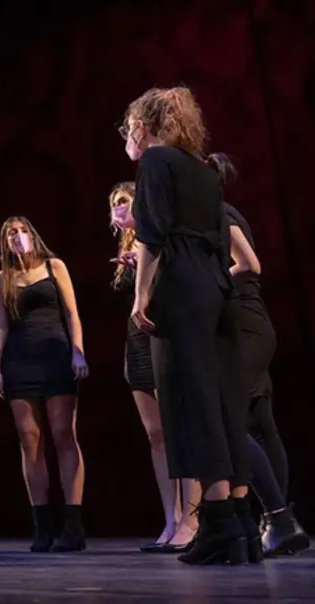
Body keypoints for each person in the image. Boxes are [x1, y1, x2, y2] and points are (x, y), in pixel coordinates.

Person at [123, 85, 258, 565]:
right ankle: (239, 520)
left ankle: (218, 520)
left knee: (190, 399)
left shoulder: (156, 163)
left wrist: (141, 295)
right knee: (222, 400)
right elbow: (221, 239)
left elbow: (152, 235)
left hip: (180, 287)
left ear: (142, 126)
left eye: (128, 128)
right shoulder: (204, 170)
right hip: (216, 289)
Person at [206, 154, 309, 557]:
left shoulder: (218, 212)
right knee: (261, 426)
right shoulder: (227, 211)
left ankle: (278, 520)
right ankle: (278, 525)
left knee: (228, 420)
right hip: (254, 323)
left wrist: (209, 280)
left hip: (245, 326)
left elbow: (249, 264)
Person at [108, 183, 200, 554]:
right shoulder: (127, 247)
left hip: (163, 338)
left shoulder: (157, 238)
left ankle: (192, 520)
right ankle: (170, 517)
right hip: (137, 344)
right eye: (114, 204)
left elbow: (177, 286)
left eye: (124, 202)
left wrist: (145, 266)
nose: (119, 209)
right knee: (156, 435)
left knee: (179, 431)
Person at [0, 216, 89, 553]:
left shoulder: (53, 266)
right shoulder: (2, 279)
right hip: (19, 361)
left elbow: (73, 313)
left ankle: (73, 525)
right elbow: (1, 326)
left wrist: (78, 353)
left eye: (22, 231)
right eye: (10, 234)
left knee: (64, 434)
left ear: (33, 235)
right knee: (29, 441)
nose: (17, 237)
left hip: (56, 353)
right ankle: (42, 525)